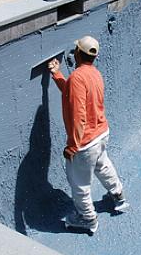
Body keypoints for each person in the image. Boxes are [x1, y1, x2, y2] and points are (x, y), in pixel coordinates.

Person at [48, 36, 128, 233]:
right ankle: (118, 195)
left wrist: (73, 146)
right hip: (101, 134)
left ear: (77, 53)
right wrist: (57, 74)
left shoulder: (77, 78)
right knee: (103, 165)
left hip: (85, 143)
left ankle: (88, 219)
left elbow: (78, 116)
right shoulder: (94, 74)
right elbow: (72, 93)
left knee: (80, 184)